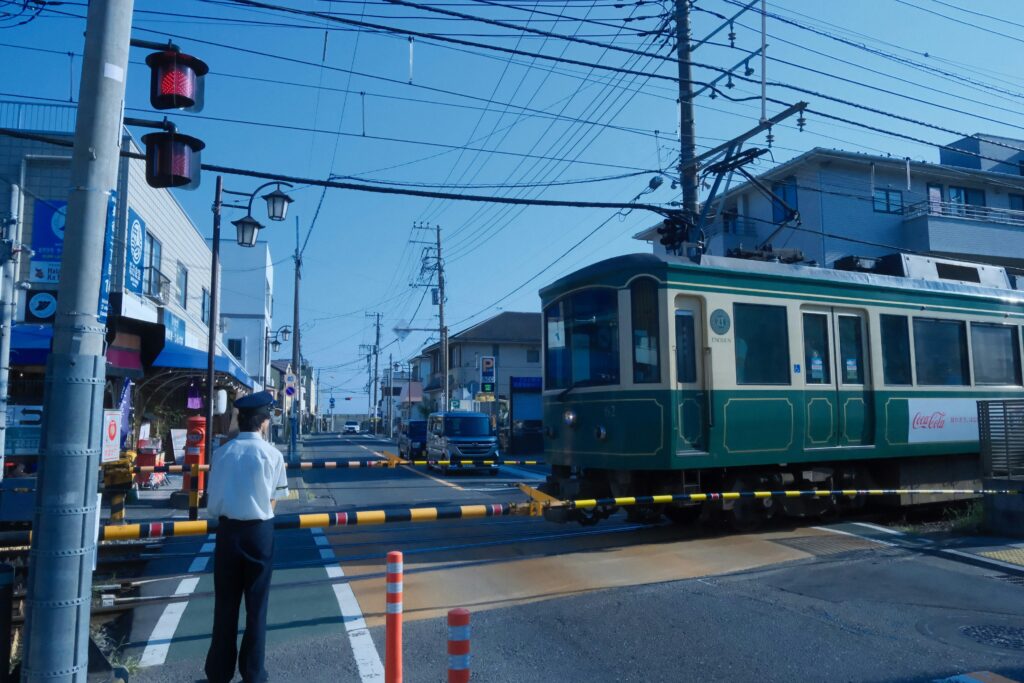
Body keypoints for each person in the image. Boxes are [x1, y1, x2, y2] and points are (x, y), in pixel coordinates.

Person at [204, 391, 289, 683]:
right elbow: (276, 499)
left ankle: (218, 672)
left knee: (225, 605)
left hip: (227, 533)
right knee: (257, 606)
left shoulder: (222, 453)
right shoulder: (273, 455)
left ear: (239, 420)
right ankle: (254, 673)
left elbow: (212, 503)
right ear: (264, 422)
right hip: (259, 533)